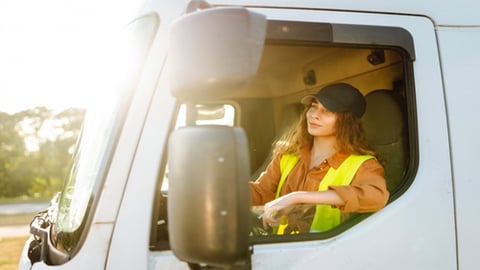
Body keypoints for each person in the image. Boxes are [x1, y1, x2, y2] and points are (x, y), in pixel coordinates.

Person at [249, 82, 389, 233]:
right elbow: (260, 192)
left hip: (326, 251)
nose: (314, 114)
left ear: (347, 121)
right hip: (282, 248)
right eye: (314, 106)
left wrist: (297, 198)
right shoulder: (288, 156)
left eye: (327, 110)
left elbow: (376, 197)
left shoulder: (362, 165)